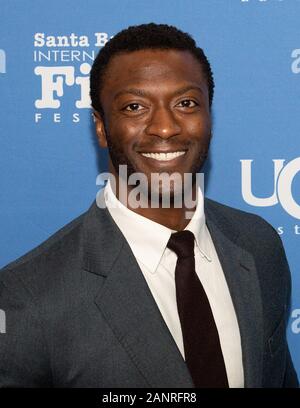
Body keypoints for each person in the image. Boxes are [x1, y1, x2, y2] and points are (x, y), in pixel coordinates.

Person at [0, 23, 298, 388]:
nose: (165, 127)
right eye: (135, 106)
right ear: (100, 126)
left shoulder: (258, 245)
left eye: (186, 103)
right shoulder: (28, 297)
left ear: (209, 116)